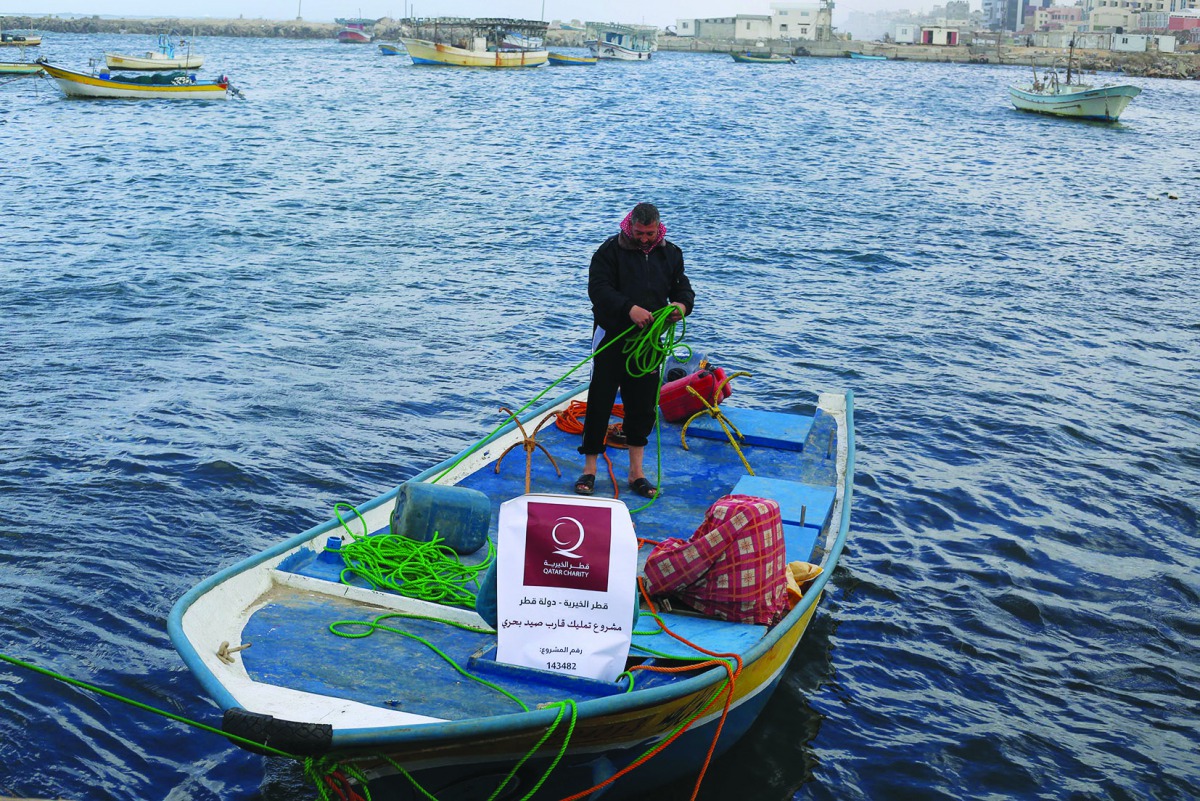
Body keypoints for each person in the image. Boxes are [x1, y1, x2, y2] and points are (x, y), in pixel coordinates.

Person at [574, 202, 695, 499]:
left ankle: (636, 473)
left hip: (649, 343)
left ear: (658, 228)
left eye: (650, 233)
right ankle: (590, 470)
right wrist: (629, 309)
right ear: (630, 226)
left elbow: (683, 289)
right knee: (600, 401)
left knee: (642, 405)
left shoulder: (671, 253)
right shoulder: (608, 252)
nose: (644, 239)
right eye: (639, 233)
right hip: (612, 338)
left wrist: (681, 305)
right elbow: (598, 290)